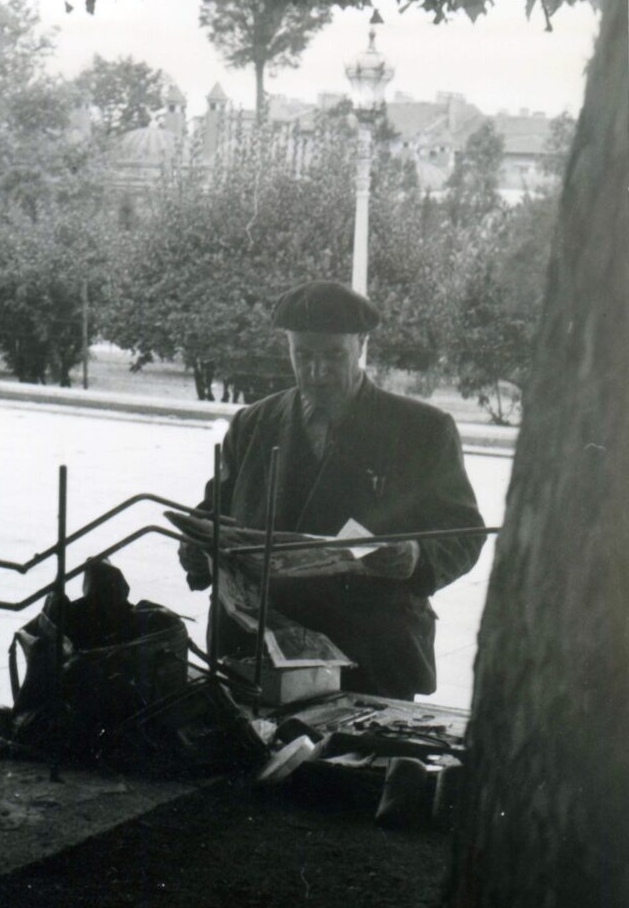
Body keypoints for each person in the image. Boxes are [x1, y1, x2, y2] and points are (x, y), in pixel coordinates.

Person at [179, 280, 486, 700]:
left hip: (367, 655)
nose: (316, 372)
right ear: (287, 346)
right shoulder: (253, 423)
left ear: (360, 345)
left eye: (333, 355)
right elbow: (216, 511)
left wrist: (417, 555)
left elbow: (463, 532)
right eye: (302, 355)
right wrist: (198, 547)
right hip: (252, 652)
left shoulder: (423, 430)